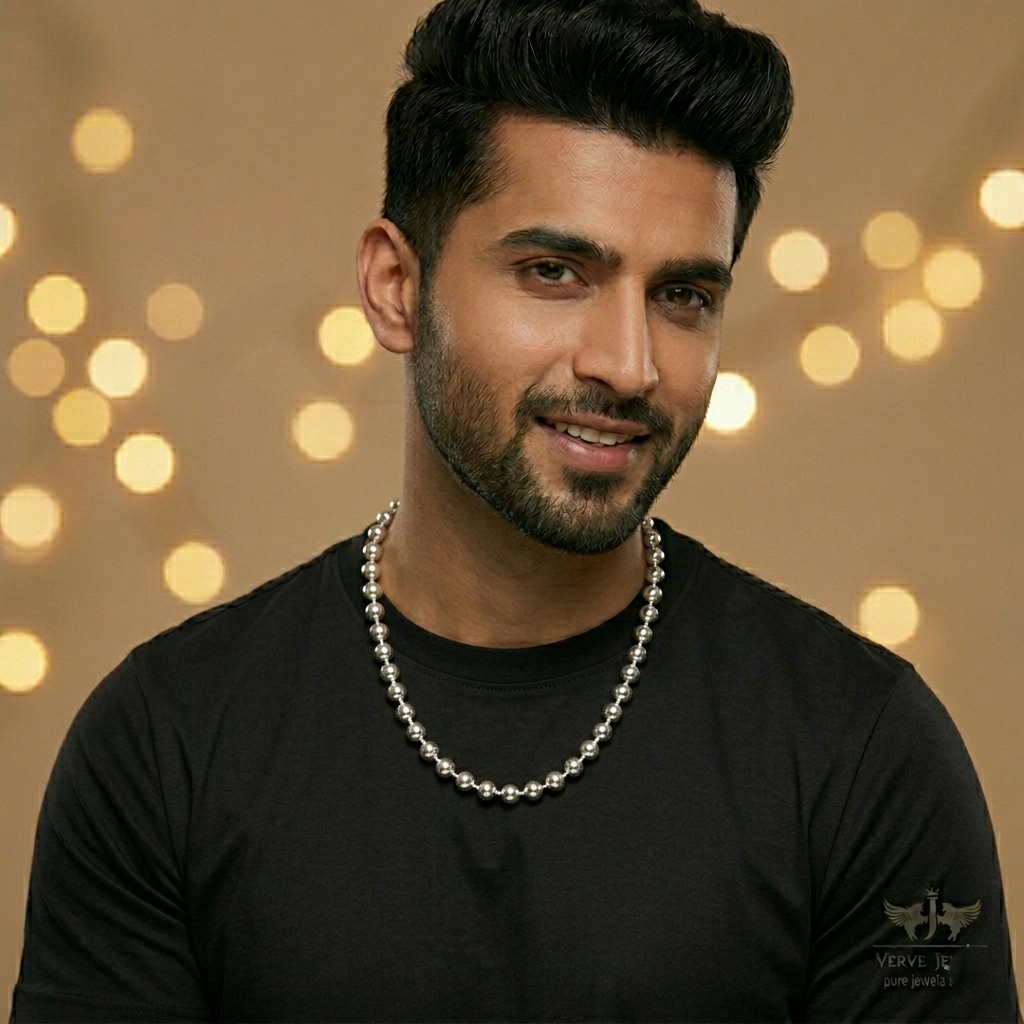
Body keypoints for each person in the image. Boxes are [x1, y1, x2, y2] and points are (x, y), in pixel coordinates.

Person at [10, 0, 1019, 1020]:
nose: (628, 364)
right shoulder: (171, 742)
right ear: (397, 287)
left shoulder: (859, 749)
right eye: (555, 273)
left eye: (682, 295)